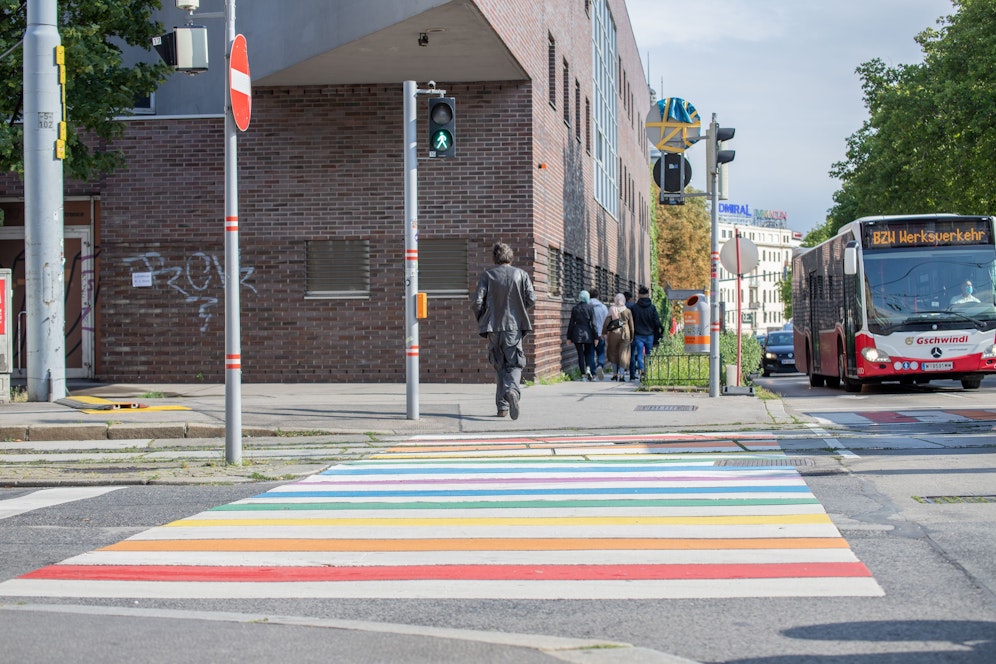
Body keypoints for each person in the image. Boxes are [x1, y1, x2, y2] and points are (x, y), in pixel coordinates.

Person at [472, 242, 536, 420]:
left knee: (499, 365)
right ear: (511, 257)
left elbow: (477, 302)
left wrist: (483, 319)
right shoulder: (521, 274)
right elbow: (531, 298)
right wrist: (519, 309)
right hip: (513, 327)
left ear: (495, 257)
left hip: (493, 327)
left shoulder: (487, 275)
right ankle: (512, 391)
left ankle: (502, 407)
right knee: (515, 363)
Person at [631, 285, 663, 381]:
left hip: (638, 334)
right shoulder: (652, 308)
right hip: (650, 334)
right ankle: (648, 371)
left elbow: (631, 321)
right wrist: (659, 331)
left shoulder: (634, 308)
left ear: (639, 295)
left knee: (640, 354)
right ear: (648, 295)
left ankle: (642, 369)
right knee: (649, 354)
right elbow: (656, 322)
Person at [566, 290, 598, 380]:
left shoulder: (575, 308)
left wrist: (569, 337)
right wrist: (596, 337)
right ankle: (588, 368)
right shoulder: (590, 308)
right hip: (588, 333)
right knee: (588, 353)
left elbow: (571, 323)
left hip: (577, 333)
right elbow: (594, 323)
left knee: (580, 354)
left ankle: (583, 374)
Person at [602, 292, 634, 381]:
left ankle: (615, 374)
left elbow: (607, 322)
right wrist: (632, 336)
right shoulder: (628, 311)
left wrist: (603, 332)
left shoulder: (612, 309)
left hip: (613, 334)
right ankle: (622, 375)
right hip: (625, 334)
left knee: (613, 353)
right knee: (623, 353)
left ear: (616, 300)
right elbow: (631, 325)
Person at [589, 289, 609, 380]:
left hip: (590, 334)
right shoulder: (603, 307)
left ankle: (593, 373)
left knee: (591, 353)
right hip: (600, 334)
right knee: (600, 352)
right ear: (598, 296)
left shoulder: (587, 306)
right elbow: (607, 321)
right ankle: (600, 365)